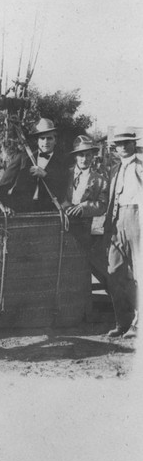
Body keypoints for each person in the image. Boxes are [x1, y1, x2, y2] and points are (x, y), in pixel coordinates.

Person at [104, 129, 143, 338]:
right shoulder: (115, 169)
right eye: (119, 144)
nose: (123, 147)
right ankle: (122, 321)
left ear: (133, 144)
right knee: (114, 271)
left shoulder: (141, 165)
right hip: (117, 221)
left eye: (127, 143)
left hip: (137, 218)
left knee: (140, 271)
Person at [0, 118, 68, 212]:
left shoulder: (62, 162)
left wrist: (45, 175)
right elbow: (3, 185)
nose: (46, 142)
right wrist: (4, 205)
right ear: (37, 140)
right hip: (20, 209)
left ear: (55, 140)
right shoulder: (23, 157)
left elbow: (63, 189)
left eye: (49, 138)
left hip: (48, 211)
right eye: (42, 138)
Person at [61, 135, 108, 250]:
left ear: (93, 156)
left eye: (88, 155)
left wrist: (84, 207)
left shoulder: (100, 180)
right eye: (81, 155)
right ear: (75, 157)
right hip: (64, 225)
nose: (84, 159)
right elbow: (57, 194)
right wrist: (65, 204)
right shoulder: (65, 174)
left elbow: (103, 205)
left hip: (86, 229)